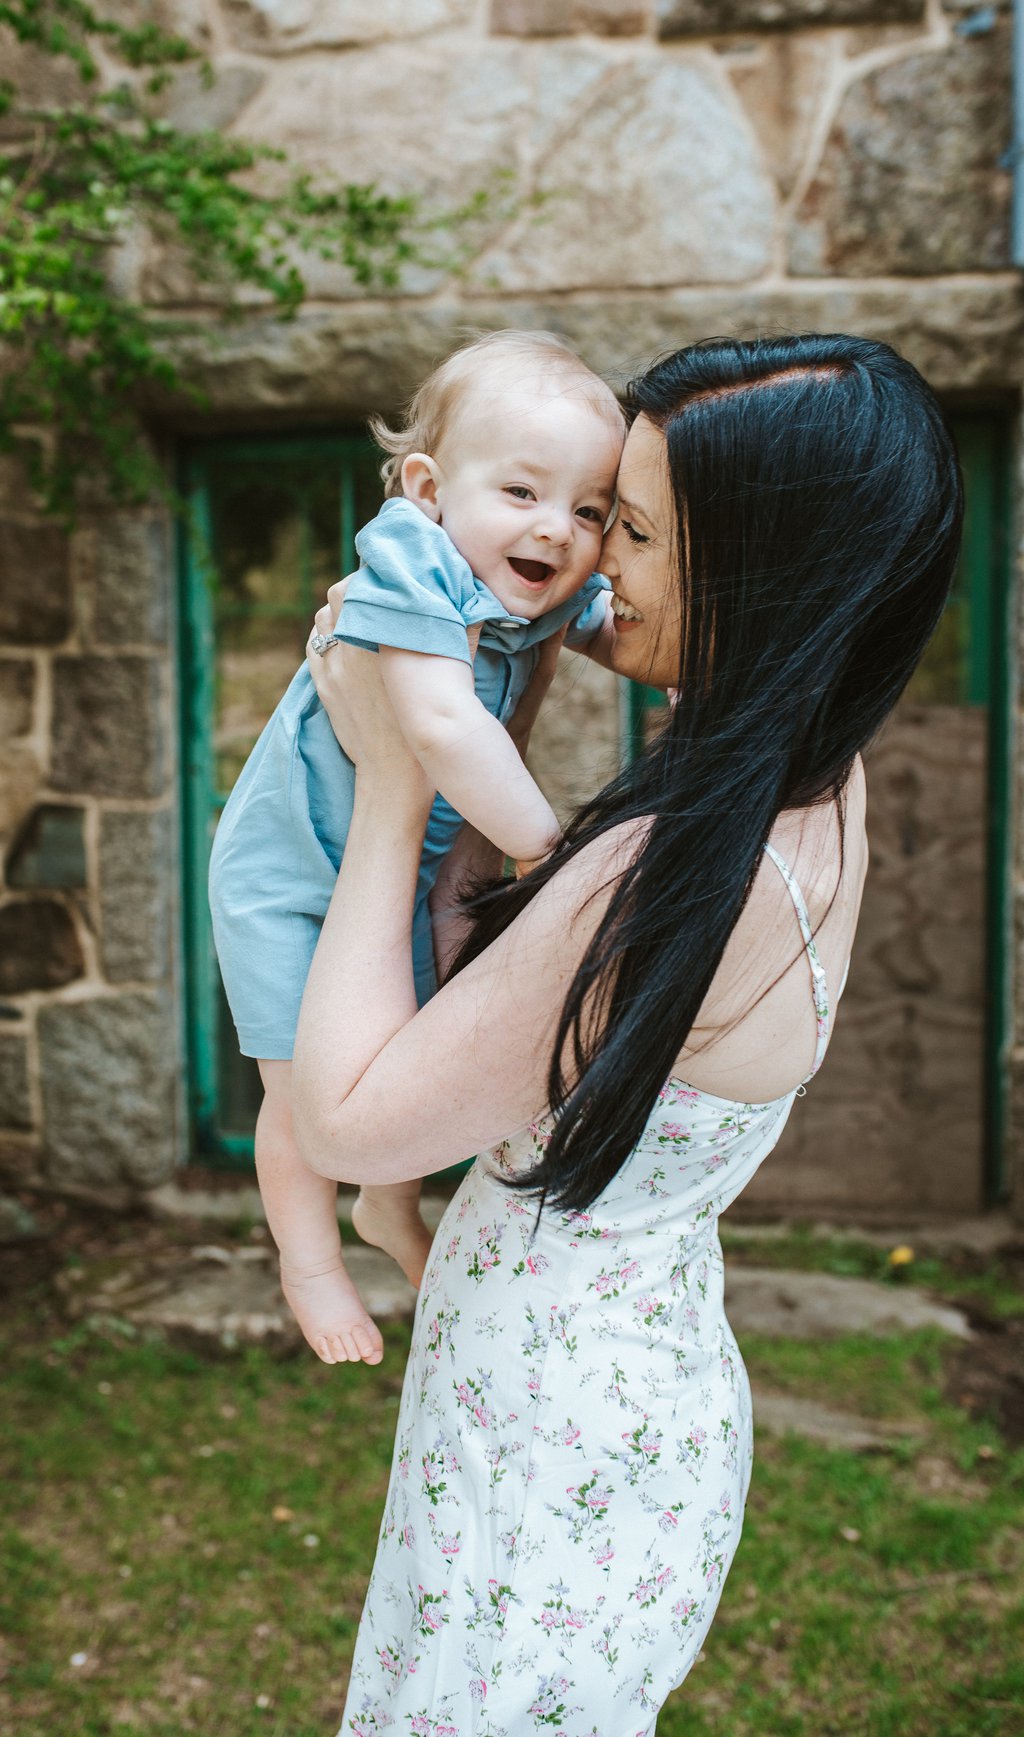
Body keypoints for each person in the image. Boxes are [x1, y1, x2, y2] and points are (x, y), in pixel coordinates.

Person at [291, 333, 963, 1735]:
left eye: (635, 529)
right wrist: (492, 653)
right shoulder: (806, 786)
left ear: (761, 580)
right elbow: (526, 963)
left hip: (540, 1445)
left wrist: (394, 770)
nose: (595, 561)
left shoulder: (656, 877)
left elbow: (348, 1119)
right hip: (636, 1394)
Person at [208, 331, 625, 1369]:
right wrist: (545, 852)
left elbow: (619, 628)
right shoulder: (410, 558)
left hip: (392, 879)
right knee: (301, 1086)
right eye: (523, 491)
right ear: (428, 486)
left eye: (589, 510)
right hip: (288, 877)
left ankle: (384, 1209)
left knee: (386, 1064)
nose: (556, 530)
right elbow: (437, 727)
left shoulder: (536, 583)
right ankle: (307, 1268)